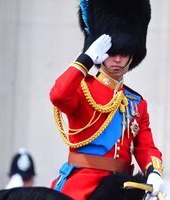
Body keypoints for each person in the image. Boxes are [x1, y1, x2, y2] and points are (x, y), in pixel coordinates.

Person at [49, 0, 164, 199]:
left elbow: (145, 146)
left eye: (123, 52)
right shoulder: (82, 89)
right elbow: (58, 95)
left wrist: (154, 171)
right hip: (83, 186)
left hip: (122, 187)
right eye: (111, 52)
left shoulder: (136, 103)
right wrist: (86, 58)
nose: (117, 59)